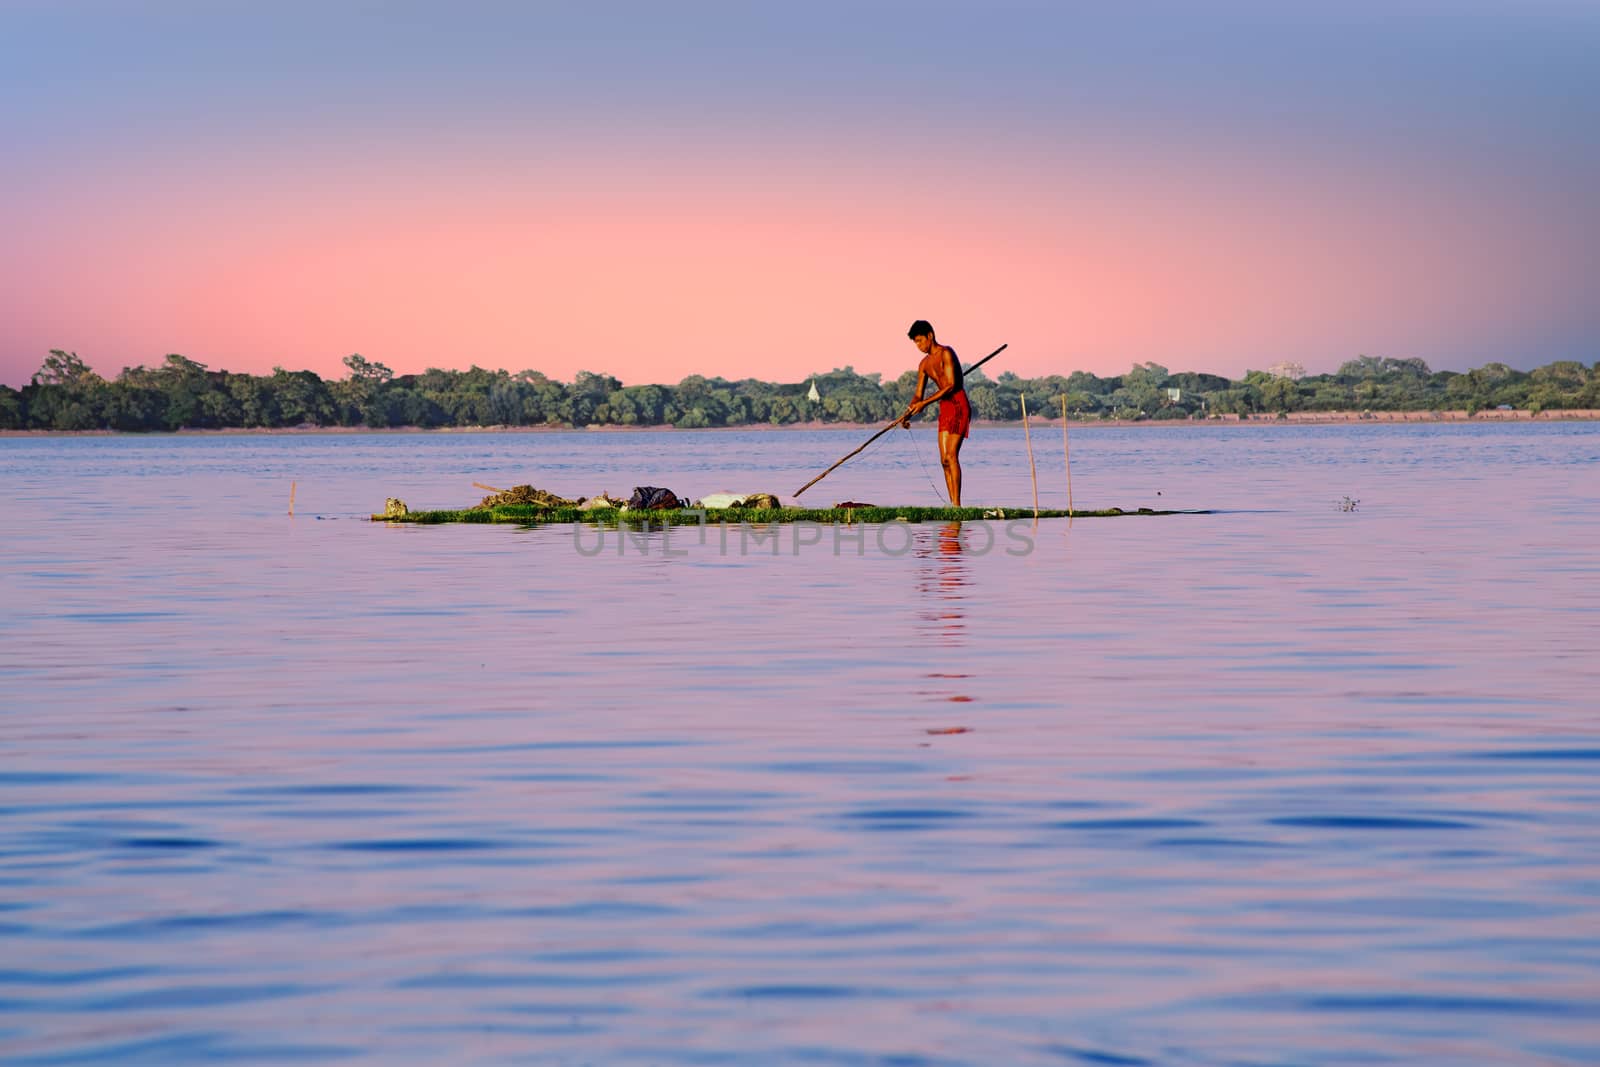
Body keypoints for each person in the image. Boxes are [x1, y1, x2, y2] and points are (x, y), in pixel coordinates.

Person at [899, 319, 970, 506]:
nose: (919, 346)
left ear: (930, 335)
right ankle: (951, 504)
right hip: (944, 407)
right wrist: (909, 412)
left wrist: (925, 404)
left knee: (951, 456)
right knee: (943, 460)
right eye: (916, 343)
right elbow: (917, 394)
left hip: (958, 405)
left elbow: (950, 385)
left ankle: (957, 505)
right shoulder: (924, 364)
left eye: (921, 340)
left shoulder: (946, 353)